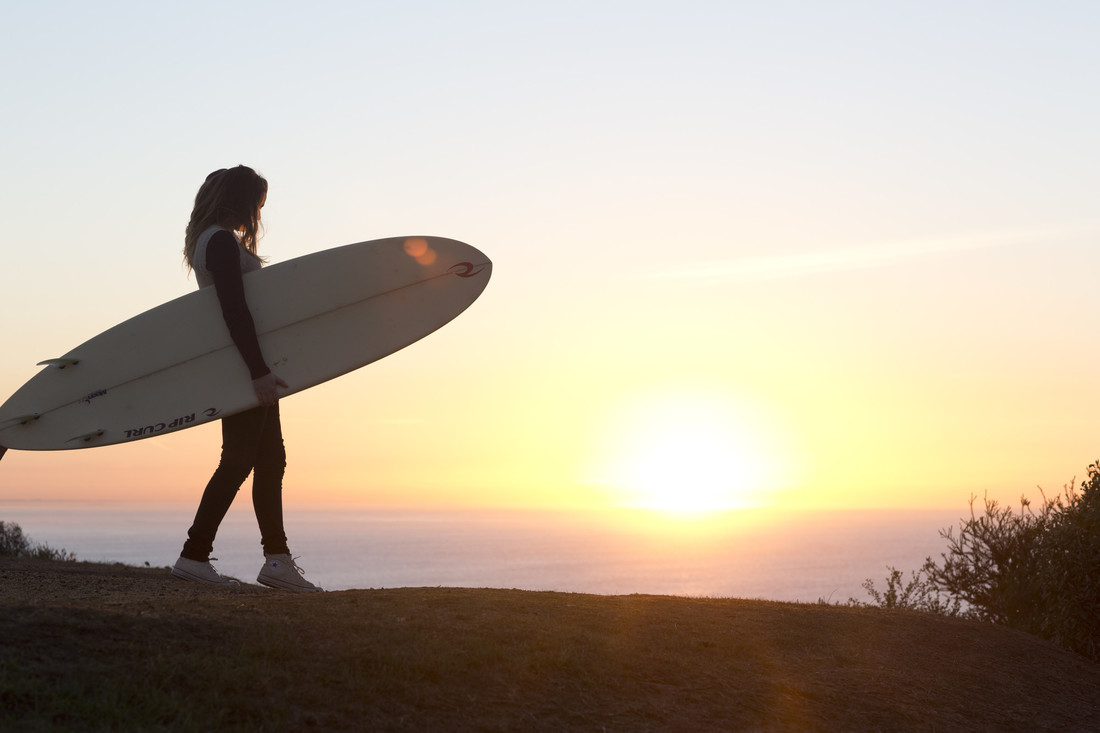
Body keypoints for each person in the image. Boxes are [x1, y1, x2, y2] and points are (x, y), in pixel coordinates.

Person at [170, 165, 321, 592]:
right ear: (238, 200)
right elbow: (234, 311)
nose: (256, 213)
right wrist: (257, 372)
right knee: (238, 460)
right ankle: (194, 555)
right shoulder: (218, 242)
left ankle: (276, 560)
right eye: (256, 204)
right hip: (243, 367)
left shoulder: (214, 240)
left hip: (249, 366)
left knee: (270, 459)